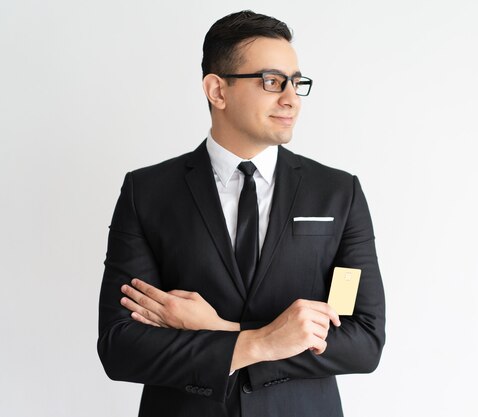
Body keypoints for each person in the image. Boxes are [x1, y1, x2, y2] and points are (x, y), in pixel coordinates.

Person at [97, 10, 385, 417]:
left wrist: (225, 331)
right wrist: (264, 342)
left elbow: (362, 342)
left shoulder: (337, 194)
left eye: (296, 82)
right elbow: (121, 347)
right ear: (217, 90)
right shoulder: (147, 192)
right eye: (271, 81)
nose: (291, 98)